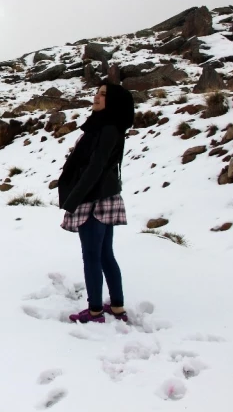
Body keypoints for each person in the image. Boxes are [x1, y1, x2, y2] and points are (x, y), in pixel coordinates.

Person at [58, 81, 135, 324]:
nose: (97, 97)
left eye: (103, 95)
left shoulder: (107, 128)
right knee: (104, 255)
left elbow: (96, 167)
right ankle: (117, 307)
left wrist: (74, 199)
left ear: (113, 102)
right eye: (97, 93)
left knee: (92, 256)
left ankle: (94, 312)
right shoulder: (105, 126)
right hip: (102, 196)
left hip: (93, 199)